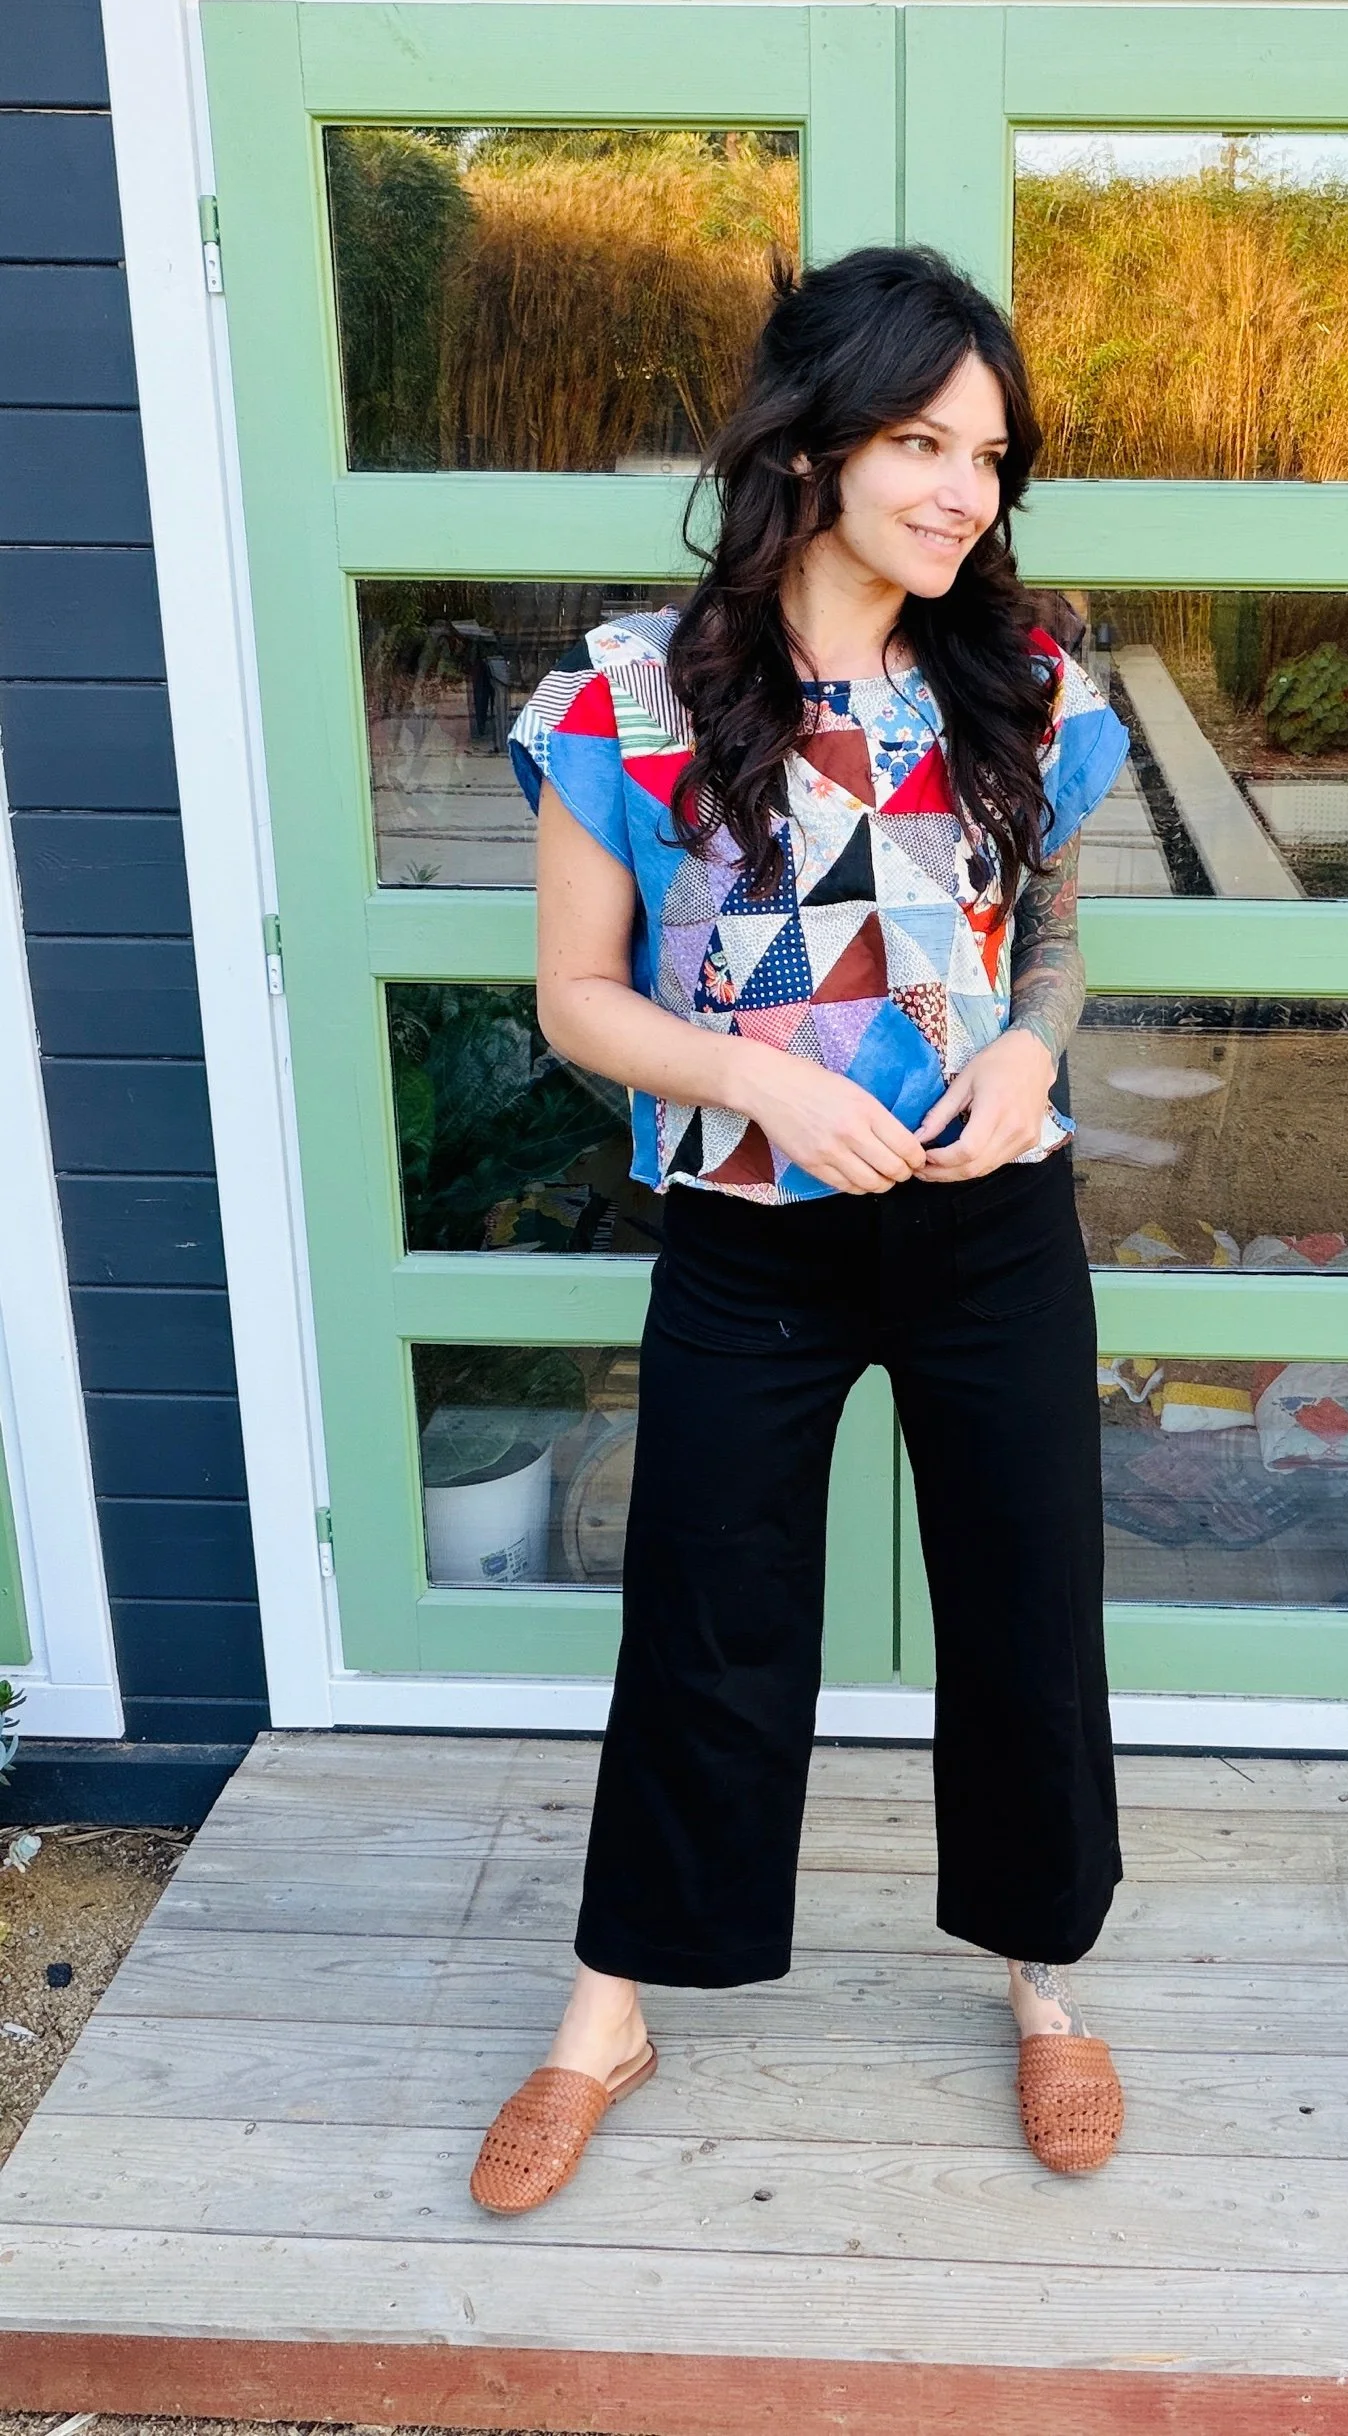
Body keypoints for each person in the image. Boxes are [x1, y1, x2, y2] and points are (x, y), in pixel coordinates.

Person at [469, 246, 1132, 2215]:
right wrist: (761, 1083)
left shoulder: (1024, 679)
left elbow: (1056, 947)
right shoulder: (635, 690)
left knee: (1025, 1600)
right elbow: (575, 999)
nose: (960, 493)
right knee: (704, 1604)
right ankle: (609, 2007)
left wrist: (1026, 1056)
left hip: (991, 1226)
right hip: (752, 1236)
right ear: (810, 443)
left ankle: (1042, 1972)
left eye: (989, 457)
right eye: (921, 442)